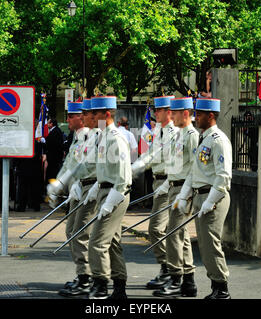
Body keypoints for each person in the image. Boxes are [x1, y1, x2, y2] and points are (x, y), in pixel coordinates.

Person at [175, 98, 233, 299]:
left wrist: (211, 201)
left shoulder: (218, 140)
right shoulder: (203, 139)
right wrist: (184, 196)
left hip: (213, 197)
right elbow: (194, 172)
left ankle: (222, 289)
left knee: (211, 243)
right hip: (201, 196)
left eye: (199, 114)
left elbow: (224, 176)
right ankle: (216, 287)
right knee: (204, 245)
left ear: (211, 116)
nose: (195, 117)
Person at [84, 96, 132, 299]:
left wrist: (109, 202)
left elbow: (122, 175)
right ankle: (119, 288)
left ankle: (100, 283)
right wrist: (96, 187)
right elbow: (106, 169)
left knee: (97, 241)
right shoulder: (102, 136)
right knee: (111, 242)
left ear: (106, 114)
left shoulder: (115, 137)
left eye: (95, 113)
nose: (91, 117)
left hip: (116, 193)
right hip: (106, 190)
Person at [51, 98, 100, 297]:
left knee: (80, 234)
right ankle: (82, 275)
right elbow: (69, 165)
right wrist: (59, 185)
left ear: (82, 117)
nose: (68, 120)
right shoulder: (77, 139)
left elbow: (100, 166)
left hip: (90, 189)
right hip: (77, 190)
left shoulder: (94, 136)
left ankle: (87, 278)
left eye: (71, 116)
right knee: (71, 231)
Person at [152, 97, 199, 298]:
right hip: (174, 187)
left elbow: (197, 168)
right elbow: (174, 165)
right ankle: (188, 281)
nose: (171, 116)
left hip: (184, 191)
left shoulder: (192, 135)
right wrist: (165, 184)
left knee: (173, 233)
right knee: (181, 235)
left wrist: (184, 193)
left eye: (175, 112)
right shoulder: (178, 135)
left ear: (185, 114)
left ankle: (175, 278)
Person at [131, 95, 178, 290]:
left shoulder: (174, 133)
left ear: (169, 112)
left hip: (169, 184)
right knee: (163, 231)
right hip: (158, 182)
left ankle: (170, 269)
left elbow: (175, 161)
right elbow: (152, 154)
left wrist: (167, 183)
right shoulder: (159, 131)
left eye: (158, 110)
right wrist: (139, 165)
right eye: (155, 110)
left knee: (157, 230)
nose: (155, 113)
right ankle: (168, 269)